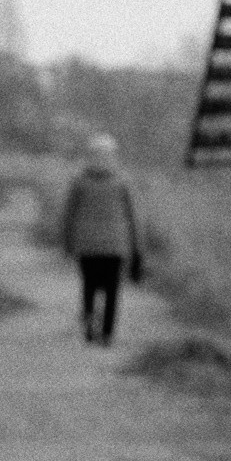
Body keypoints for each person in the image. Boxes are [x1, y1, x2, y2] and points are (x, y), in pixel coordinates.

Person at [50, 133, 143, 345]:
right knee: (112, 289)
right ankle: (107, 332)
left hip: (86, 246)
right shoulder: (123, 182)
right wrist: (138, 249)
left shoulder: (79, 182)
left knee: (89, 285)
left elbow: (68, 216)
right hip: (115, 246)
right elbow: (134, 217)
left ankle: (90, 325)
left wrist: (67, 245)